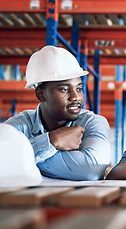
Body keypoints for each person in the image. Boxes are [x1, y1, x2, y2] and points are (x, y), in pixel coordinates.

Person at [5, 45, 111, 181]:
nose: (76, 97)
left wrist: (18, 159)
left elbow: (90, 170)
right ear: (40, 95)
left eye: (79, 89)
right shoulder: (19, 126)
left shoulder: (93, 123)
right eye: (64, 89)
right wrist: (51, 140)